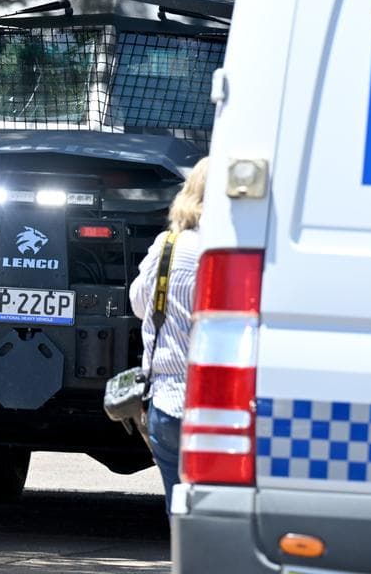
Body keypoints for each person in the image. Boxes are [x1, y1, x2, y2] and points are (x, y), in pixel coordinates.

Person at [128, 156, 208, 513]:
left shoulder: (167, 245)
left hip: (164, 402)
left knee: (180, 512)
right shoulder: (224, 251)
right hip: (213, 408)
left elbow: (139, 304)